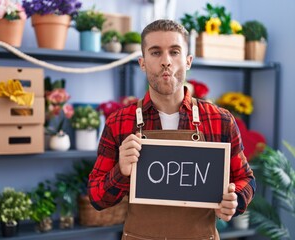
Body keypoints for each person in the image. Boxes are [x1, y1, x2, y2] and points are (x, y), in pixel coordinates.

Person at [88, 19, 255, 239]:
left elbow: (246, 179)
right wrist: (121, 169)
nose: (166, 61)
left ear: (188, 61)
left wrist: (235, 200)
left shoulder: (220, 120)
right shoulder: (119, 122)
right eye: (155, 53)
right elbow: (96, 197)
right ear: (142, 62)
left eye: (174, 52)